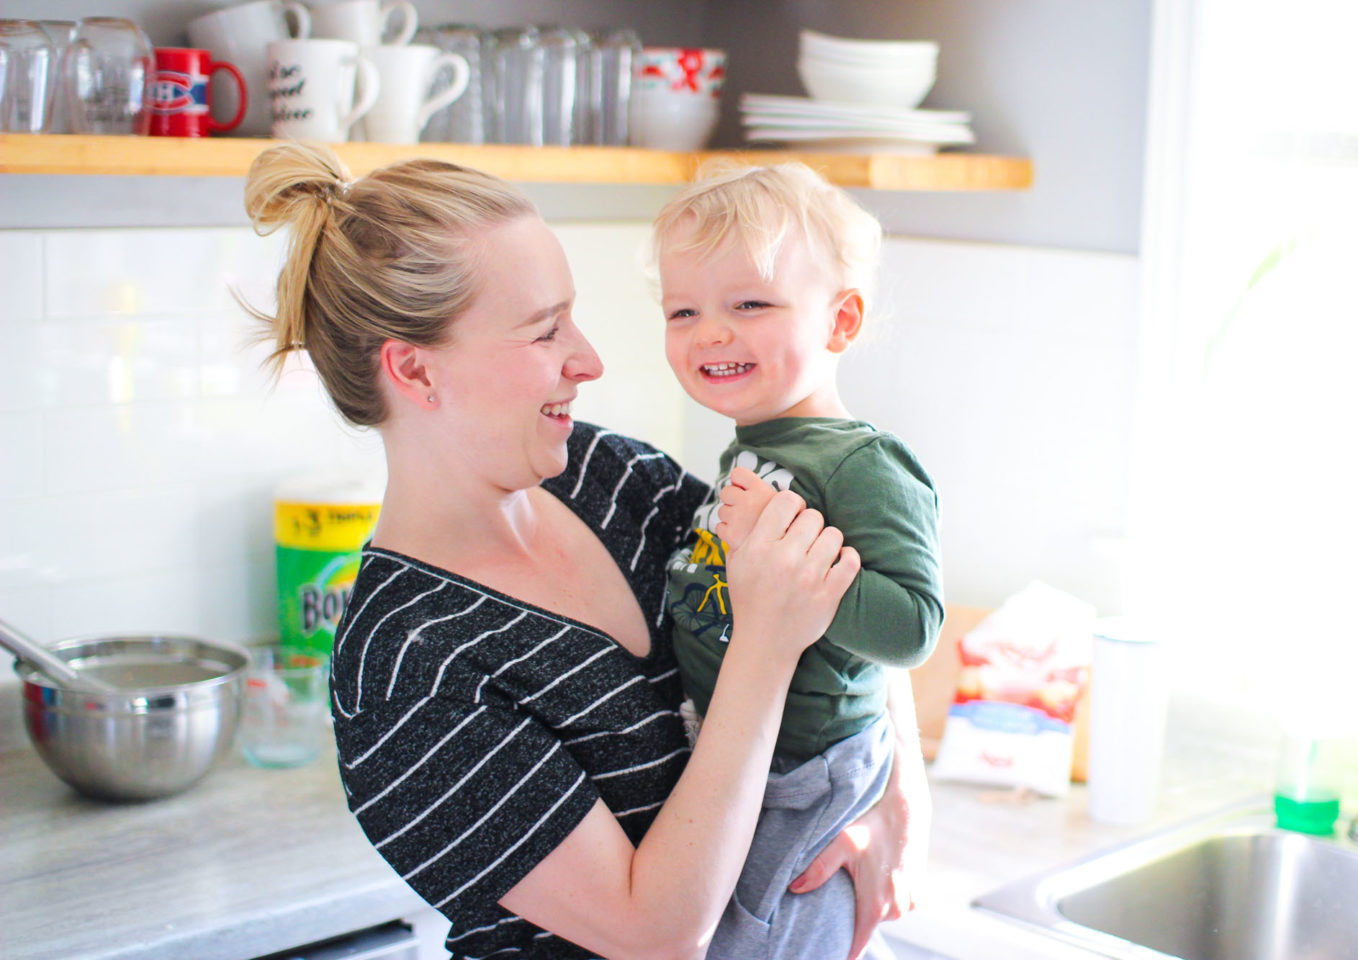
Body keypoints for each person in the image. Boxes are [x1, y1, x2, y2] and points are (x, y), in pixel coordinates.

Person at [241, 141, 930, 960]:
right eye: (544, 331)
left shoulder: (606, 476)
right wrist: (764, 650)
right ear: (415, 371)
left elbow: (829, 576)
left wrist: (889, 803)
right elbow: (657, 934)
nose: (589, 360)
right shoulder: (407, 669)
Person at [651, 162, 945, 960]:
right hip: (748, 760)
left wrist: (795, 567)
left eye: (750, 304)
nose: (712, 331)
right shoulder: (757, 446)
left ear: (840, 322)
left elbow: (914, 626)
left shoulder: (863, 464)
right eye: (684, 310)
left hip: (808, 774)